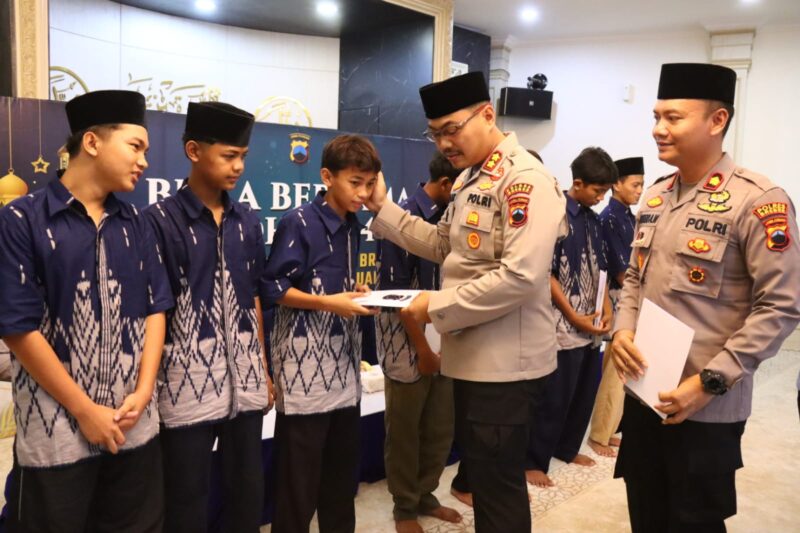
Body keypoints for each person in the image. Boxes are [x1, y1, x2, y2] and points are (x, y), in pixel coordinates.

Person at [365, 71, 567, 533]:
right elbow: (444, 245)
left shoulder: (524, 180)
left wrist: (435, 306)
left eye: (451, 129)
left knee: (498, 490)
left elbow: (520, 276)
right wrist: (382, 208)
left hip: (505, 368)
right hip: (475, 360)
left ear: (488, 115)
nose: (443, 143)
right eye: (434, 133)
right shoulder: (471, 179)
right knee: (487, 482)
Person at [611, 62, 800, 532]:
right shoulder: (656, 197)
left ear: (717, 120)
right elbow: (634, 278)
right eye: (656, 116)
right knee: (646, 514)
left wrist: (710, 382)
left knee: (695, 521)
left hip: (708, 406)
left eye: (673, 118)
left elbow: (781, 305)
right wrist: (622, 330)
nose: (658, 129)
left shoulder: (758, 201)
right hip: (645, 394)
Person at [0, 90, 173, 532]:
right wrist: (84, 410)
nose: (144, 161)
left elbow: (156, 307)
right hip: (55, 435)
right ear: (92, 142)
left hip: (134, 428)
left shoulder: (138, 223)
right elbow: (17, 327)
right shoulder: (22, 220)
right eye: (135, 146)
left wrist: (144, 391)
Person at [145, 101, 273, 533]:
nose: (239, 167)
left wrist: (262, 368)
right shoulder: (158, 222)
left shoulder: (247, 220)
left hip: (246, 383)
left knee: (248, 492)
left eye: (243, 156)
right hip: (184, 387)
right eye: (229, 156)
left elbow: (253, 297)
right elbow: (152, 312)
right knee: (186, 500)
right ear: (194, 151)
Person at [264, 134, 381, 533]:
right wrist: (330, 303)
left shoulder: (352, 225)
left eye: (370, 184)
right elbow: (274, 288)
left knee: (340, 482)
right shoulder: (298, 222)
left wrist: (357, 293)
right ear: (328, 177)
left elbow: (331, 285)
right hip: (304, 378)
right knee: (297, 487)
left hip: (344, 373)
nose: (363, 193)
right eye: (355, 182)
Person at [376, 152, 461, 533]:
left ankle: (426, 493)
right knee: (405, 431)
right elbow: (398, 299)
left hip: (445, 340)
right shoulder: (401, 218)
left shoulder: (452, 218)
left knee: (440, 428)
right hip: (406, 344)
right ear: (446, 184)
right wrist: (423, 351)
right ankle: (405, 506)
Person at [525, 146, 616, 488]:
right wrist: (574, 317)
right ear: (577, 183)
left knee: (583, 391)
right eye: (598, 191)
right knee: (555, 396)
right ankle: (533, 461)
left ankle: (567, 447)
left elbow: (601, 269)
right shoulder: (556, 215)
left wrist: (607, 309)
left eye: (605, 191)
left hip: (591, 324)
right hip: (562, 324)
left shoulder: (594, 220)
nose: (601, 198)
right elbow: (546, 275)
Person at [587, 156, 644, 457]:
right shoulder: (609, 218)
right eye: (635, 184)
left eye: (642, 185)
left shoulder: (629, 217)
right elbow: (623, 272)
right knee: (613, 370)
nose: (639, 190)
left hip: (630, 299)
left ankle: (609, 430)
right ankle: (599, 434)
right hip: (617, 300)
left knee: (622, 370)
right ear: (617, 185)